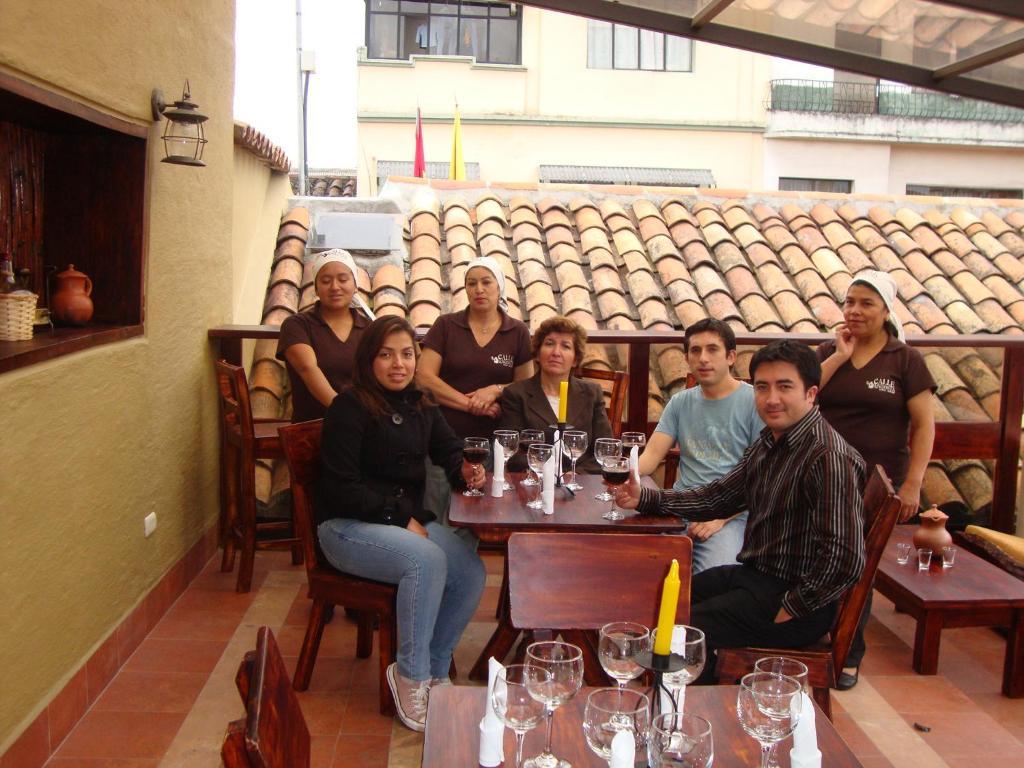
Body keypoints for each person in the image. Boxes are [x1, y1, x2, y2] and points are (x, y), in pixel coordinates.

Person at [614, 340, 866, 684]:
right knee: (662, 594)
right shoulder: (771, 442)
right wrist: (646, 499)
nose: (771, 398)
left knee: (681, 633)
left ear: (811, 393)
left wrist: (791, 607)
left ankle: (690, 716)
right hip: (756, 576)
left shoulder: (827, 457)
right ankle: (680, 693)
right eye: (762, 387)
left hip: (794, 602)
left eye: (784, 386)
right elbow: (719, 497)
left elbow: (845, 558)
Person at [316, 316, 486, 732]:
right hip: (345, 526)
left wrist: (465, 468)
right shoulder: (349, 406)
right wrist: (397, 516)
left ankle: (434, 667)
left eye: (407, 354)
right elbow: (340, 488)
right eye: (386, 355)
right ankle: (409, 676)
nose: (399, 364)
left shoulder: (419, 404)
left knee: (469, 569)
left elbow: (448, 449)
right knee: (426, 560)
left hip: (403, 524)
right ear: (369, 359)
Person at [817, 270, 936, 690]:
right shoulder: (829, 352)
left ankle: (848, 652)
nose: (854, 311)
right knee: (819, 560)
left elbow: (924, 426)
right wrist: (838, 355)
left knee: (856, 565)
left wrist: (913, 484)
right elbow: (804, 394)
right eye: (849, 302)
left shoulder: (905, 361)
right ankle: (816, 637)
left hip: (877, 485)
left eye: (866, 303)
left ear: (886, 311)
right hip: (824, 475)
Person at [637, 318, 764, 573]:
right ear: (686, 358)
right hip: (681, 507)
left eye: (712, 349)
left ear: (730, 356)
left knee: (712, 579)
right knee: (641, 565)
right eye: (695, 351)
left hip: (730, 516)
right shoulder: (680, 402)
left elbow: (762, 476)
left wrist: (720, 519)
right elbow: (649, 457)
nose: (703, 358)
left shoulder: (754, 402)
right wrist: (618, 473)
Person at [417, 256, 534, 439]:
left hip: (498, 442)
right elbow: (424, 378)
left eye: (486, 282)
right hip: (443, 439)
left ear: (499, 286)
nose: (479, 289)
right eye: (472, 284)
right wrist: (470, 404)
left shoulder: (517, 331)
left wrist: (497, 389)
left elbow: (527, 386)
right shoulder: (445, 326)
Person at [498, 315, 613, 474]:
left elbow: (606, 450)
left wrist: (576, 474)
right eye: (549, 344)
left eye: (565, 346)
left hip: (580, 486)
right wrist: (548, 473)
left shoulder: (591, 393)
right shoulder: (516, 394)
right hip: (534, 483)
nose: (556, 352)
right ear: (537, 354)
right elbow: (512, 451)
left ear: (575, 359)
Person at [276, 249, 375, 423]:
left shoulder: (370, 328)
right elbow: (308, 369)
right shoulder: (297, 325)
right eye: (325, 281)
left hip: (363, 425)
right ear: (315, 287)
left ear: (355, 285)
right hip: (313, 429)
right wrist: (345, 413)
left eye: (343, 279)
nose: (335, 287)